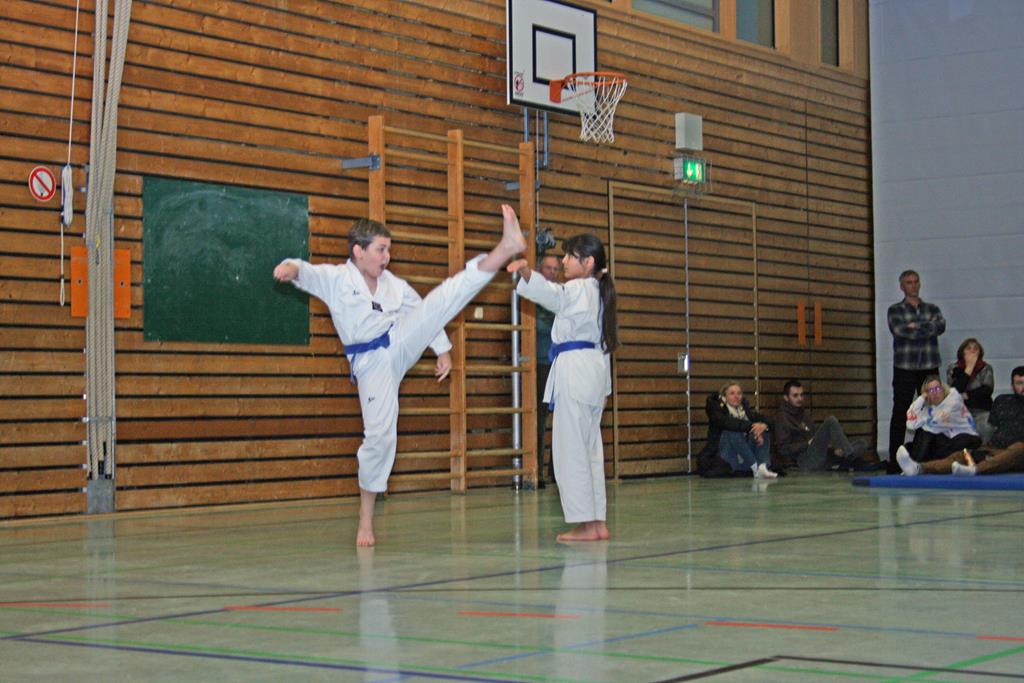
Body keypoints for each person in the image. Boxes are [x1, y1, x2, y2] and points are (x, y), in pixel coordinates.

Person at [273, 205, 526, 546]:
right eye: (381, 250)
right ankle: (366, 520)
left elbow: (425, 311)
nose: (387, 257)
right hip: (369, 363)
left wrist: (442, 349)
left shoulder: (394, 285)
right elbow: (306, 272)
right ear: (358, 251)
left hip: (398, 340)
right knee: (379, 438)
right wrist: (290, 267)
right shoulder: (337, 280)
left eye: (388, 249)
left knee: (443, 297)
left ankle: (505, 248)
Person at [507, 234, 617, 542]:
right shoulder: (600, 292)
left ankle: (586, 525)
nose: (564, 261)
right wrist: (605, 389)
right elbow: (606, 344)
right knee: (590, 450)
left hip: (575, 371)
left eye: (570, 256)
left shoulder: (579, 288)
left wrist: (527, 273)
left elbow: (552, 295)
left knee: (571, 451)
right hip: (593, 372)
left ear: (588, 262)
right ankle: (597, 522)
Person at [898, 366, 1024, 476]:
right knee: (962, 454)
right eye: (1019, 383)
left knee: (1019, 447)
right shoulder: (1002, 401)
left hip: (1019, 452)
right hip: (995, 448)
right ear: (1012, 385)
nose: (1023, 387)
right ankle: (919, 468)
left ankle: (975, 470)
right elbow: (993, 427)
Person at [887, 270, 946, 472]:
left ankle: (933, 457)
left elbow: (940, 326)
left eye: (915, 281)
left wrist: (914, 327)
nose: (913, 285)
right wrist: (926, 328)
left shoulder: (932, 308)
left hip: (929, 366)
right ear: (902, 287)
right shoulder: (895, 310)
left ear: (919, 284)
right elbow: (899, 331)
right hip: (904, 367)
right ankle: (894, 461)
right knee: (900, 411)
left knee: (934, 409)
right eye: (909, 282)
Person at [773, 380, 870, 471]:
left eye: (801, 395)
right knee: (831, 421)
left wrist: (833, 449)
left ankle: (845, 457)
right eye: (795, 395)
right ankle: (849, 456)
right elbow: (783, 449)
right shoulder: (782, 418)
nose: (800, 398)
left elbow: (816, 436)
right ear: (786, 398)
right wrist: (807, 444)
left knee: (862, 443)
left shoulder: (804, 414)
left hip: (820, 454)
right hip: (804, 460)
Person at [698, 382, 778, 479]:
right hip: (727, 459)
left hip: (745, 457)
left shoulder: (746, 411)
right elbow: (729, 423)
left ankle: (762, 466)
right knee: (732, 432)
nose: (736, 396)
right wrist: (753, 427)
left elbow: (769, 420)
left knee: (762, 429)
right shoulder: (718, 411)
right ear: (724, 397)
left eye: (739, 393)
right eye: (732, 393)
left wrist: (763, 426)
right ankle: (755, 468)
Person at [898, 376, 980, 465]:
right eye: (931, 391)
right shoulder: (930, 408)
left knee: (927, 432)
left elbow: (936, 421)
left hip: (968, 438)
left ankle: (916, 462)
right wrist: (921, 398)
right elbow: (910, 424)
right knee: (923, 432)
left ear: (943, 389)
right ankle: (916, 462)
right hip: (948, 439)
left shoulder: (953, 399)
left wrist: (922, 421)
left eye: (938, 389)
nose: (935, 393)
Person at [533, 253, 560, 489]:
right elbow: (537, 327)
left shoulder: (560, 294)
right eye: (548, 268)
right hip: (541, 364)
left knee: (562, 420)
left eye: (555, 269)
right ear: (540, 270)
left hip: (560, 365)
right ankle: (537, 471)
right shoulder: (535, 296)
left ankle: (556, 471)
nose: (551, 272)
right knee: (540, 420)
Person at [946, 337, 995, 442]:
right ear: (962, 352)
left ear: (980, 352)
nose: (972, 351)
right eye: (968, 348)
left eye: (975, 348)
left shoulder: (986, 368)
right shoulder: (953, 368)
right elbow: (954, 391)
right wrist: (969, 369)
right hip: (959, 411)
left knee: (987, 425)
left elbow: (986, 391)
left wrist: (966, 395)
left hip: (981, 410)